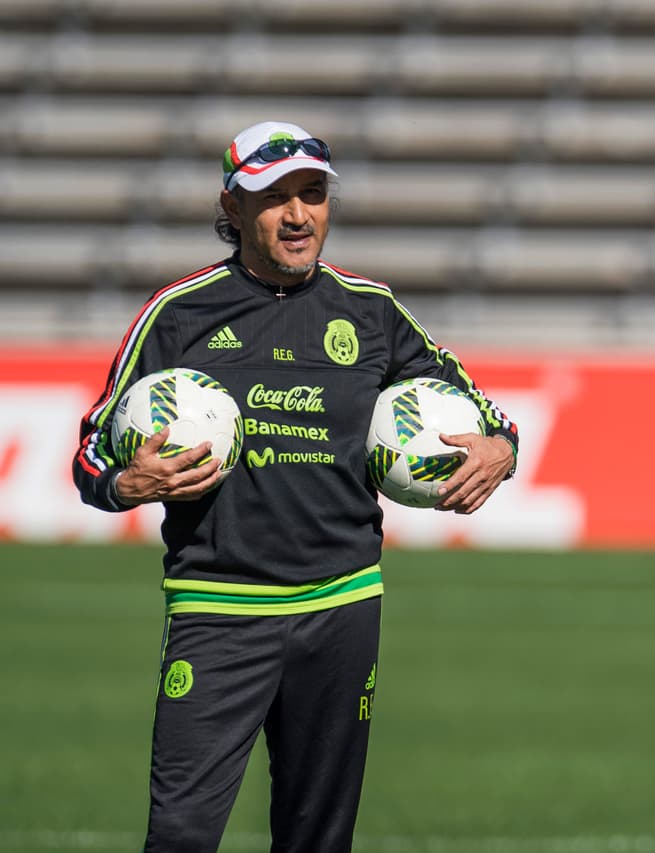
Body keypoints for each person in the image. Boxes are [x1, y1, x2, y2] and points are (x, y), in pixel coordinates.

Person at [72, 120, 519, 852]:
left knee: (317, 839)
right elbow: (88, 454)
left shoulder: (370, 310)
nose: (298, 214)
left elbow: (486, 409)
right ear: (234, 207)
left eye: (312, 194)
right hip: (218, 610)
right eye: (273, 197)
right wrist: (128, 481)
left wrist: (502, 447)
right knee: (180, 834)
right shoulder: (177, 314)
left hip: (341, 609)